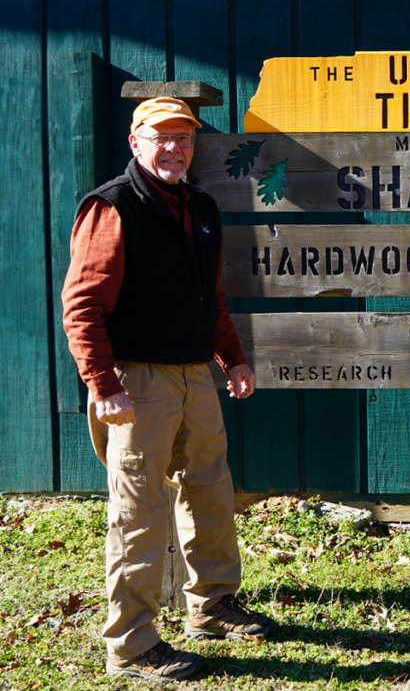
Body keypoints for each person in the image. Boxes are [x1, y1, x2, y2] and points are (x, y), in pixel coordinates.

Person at [62, 97, 276, 682]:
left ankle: (212, 607)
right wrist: (103, 384)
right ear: (136, 143)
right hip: (137, 380)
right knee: (139, 510)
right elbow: (82, 306)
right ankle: (131, 646)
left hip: (194, 374)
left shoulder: (200, 207)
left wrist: (231, 357)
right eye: (161, 138)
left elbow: (211, 297)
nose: (174, 148)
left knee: (210, 488)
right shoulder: (111, 209)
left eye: (183, 139)